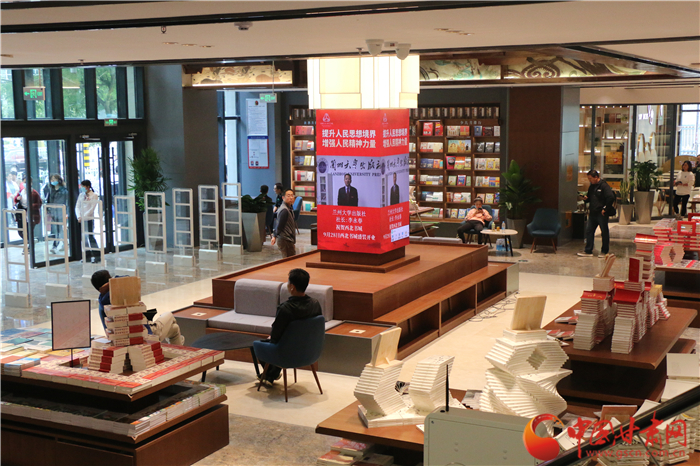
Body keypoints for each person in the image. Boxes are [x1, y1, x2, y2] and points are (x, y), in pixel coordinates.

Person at [258, 268, 322, 386]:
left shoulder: (285, 308)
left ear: (292, 287)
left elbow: (275, 336)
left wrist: (271, 338)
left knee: (257, 346)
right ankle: (270, 375)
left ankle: (271, 374)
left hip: (287, 353)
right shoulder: (315, 304)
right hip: (309, 350)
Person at [91, 270, 185, 345]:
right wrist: (114, 282)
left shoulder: (102, 301)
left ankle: (179, 347)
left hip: (122, 338)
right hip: (146, 334)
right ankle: (179, 346)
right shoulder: (115, 296)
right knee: (169, 315)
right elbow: (128, 278)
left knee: (174, 329)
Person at [578, 169, 616, 257]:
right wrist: (586, 199)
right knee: (589, 231)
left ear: (596, 177)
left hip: (601, 213)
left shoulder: (604, 186)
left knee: (604, 232)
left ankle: (604, 251)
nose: (590, 180)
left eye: (590, 178)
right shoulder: (592, 187)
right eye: (589, 179)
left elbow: (610, 197)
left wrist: (605, 208)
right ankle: (588, 250)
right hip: (593, 212)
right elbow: (590, 197)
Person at [75, 179, 100, 262]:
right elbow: (77, 206)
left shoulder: (94, 195)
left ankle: (97, 255)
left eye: (83, 186)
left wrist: (84, 217)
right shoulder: (81, 195)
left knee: (90, 237)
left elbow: (92, 208)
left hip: (89, 219)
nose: (82, 188)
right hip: (81, 220)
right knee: (83, 238)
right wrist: (79, 216)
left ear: (88, 187)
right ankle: (87, 256)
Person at [13, 175, 42, 240]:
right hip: (22, 214)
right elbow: (15, 199)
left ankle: (29, 243)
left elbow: (39, 203)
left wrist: (31, 206)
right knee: (21, 231)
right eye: (24, 182)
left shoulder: (34, 193)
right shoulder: (21, 191)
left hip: (31, 214)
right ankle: (28, 241)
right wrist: (17, 198)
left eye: (27, 182)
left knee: (29, 231)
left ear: (31, 183)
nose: (26, 184)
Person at [46, 174, 69, 254]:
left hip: (61, 212)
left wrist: (66, 213)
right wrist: (49, 210)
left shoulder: (64, 191)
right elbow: (49, 201)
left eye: (54, 179)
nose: (53, 181)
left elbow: (66, 202)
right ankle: (65, 243)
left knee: (58, 229)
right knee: (59, 229)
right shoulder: (51, 190)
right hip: (54, 213)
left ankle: (55, 246)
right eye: (51, 179)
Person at [271, 189, 297, 257]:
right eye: (288, 196)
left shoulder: (289, 208)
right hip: (285, 239)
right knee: (289, 260)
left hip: (288, 239)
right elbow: (279, 225)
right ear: (283, 197)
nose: (291, 197)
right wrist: (274, 236)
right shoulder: (284, 210)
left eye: (292, 195)